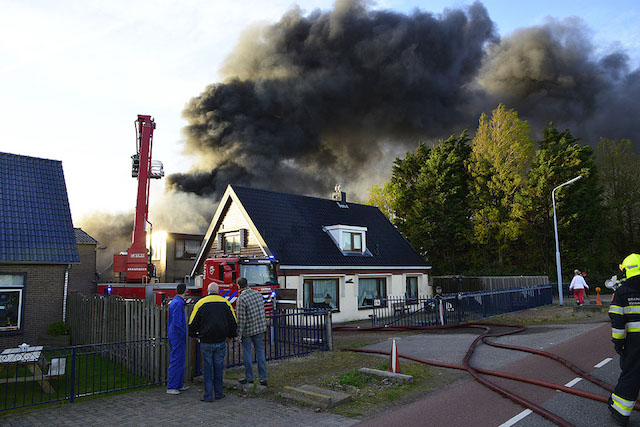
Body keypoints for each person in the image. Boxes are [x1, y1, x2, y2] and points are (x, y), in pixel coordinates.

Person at [188, 283, 237, 402]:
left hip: (206, 341)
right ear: (218, 291)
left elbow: (192, 322)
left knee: (207, 368)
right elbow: (233, 321)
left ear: (208, 291)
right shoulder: (225, 303)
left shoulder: (201, 303)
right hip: (220, 340)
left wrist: (194, 335)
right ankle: (219, 393)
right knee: (219, 367)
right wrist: (230, 336)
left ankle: (208, 395)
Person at [608, 253, 640, 426]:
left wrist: (618, 343)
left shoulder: (622, 292)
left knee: (631, 375)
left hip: (635, 342)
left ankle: (620, 412)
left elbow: (617, 319)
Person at [236, 277, 268, 386]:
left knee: (247, 352)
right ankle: (263, 377)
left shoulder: (241, 299)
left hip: (248, 330)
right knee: (260, 352)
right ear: (247, 284)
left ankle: (249, 377)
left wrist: (238, 335)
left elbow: (241, 319)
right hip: (259, 328)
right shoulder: (258, 294)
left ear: (239, 286)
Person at [167, 283, 189, 395]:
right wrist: (182, 334)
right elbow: (177, 322)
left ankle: (178, 384)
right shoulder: (179, 304)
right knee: (176, 359)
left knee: (179, 359)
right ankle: (172, 386)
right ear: (185, 291)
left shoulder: (175, 302)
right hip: (177, 335)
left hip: (174, 334)